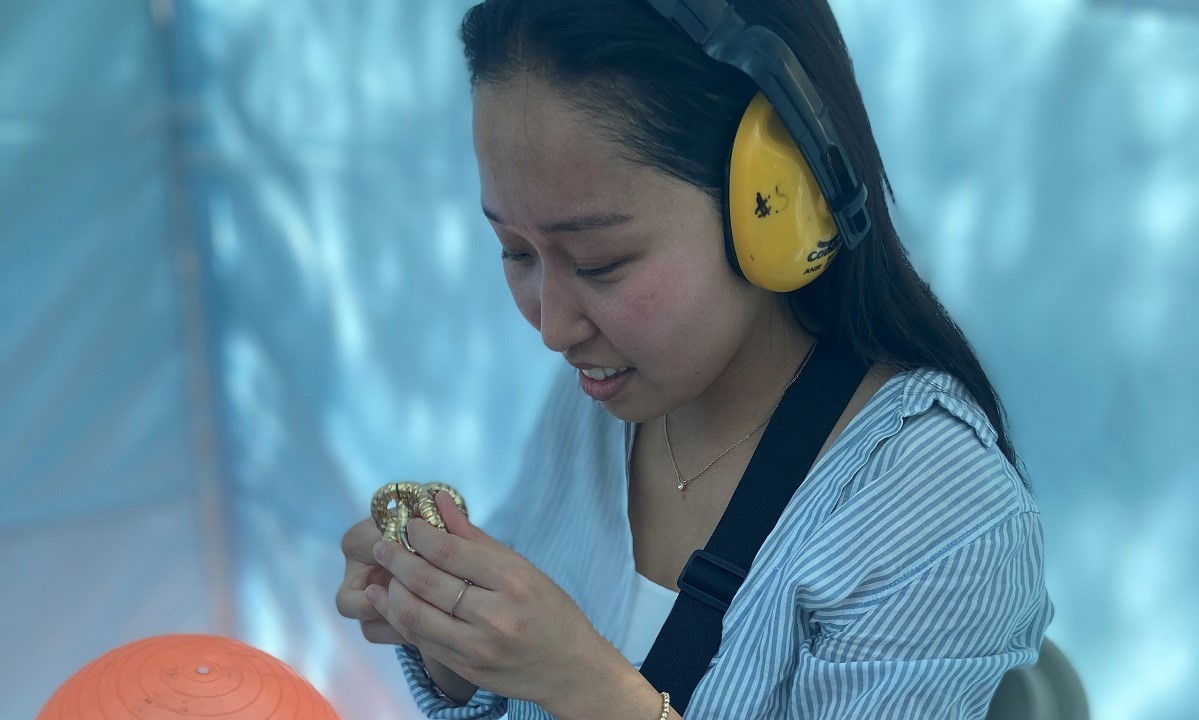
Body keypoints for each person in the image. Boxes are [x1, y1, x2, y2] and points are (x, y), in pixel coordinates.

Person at [336, 0, 1054, 718]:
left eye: (600, 261)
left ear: (777, 202)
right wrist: (451, 642)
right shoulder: (601, 395)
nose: (552, 328)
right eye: (514, 251)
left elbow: (565, 680)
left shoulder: (936, 511)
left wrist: (585, 686)